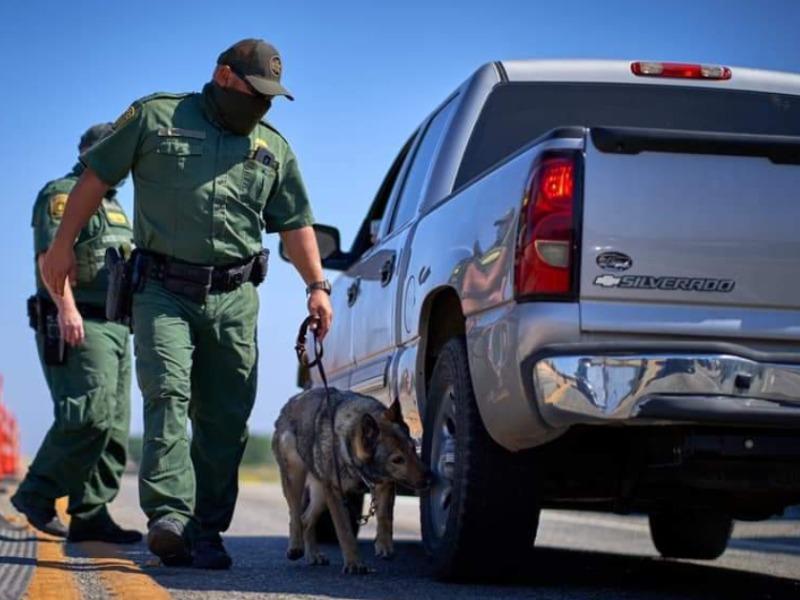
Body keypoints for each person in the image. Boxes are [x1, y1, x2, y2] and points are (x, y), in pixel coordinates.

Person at [40, 39, 333, 569]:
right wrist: (61, 247)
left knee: (226, 417)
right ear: (224, 77)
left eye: (271, 97)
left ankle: (205, 530)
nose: (262, 105)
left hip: (236, 298)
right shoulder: (155, 116)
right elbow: (96, 178)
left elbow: (294, 223)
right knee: (168, 394)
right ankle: (170, 517)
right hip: (162, 290)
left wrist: (317, 285)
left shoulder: (273, 147)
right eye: (255, 92)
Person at [12, 123, 142, 544]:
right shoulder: (63, 194)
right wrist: (66, 308)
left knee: (114, 426)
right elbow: (50, 257)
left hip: (116, 325)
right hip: (78, 318)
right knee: (88, 412)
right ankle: (36, 493)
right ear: (90, 152)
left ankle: (90, 512)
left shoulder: (115, 206)